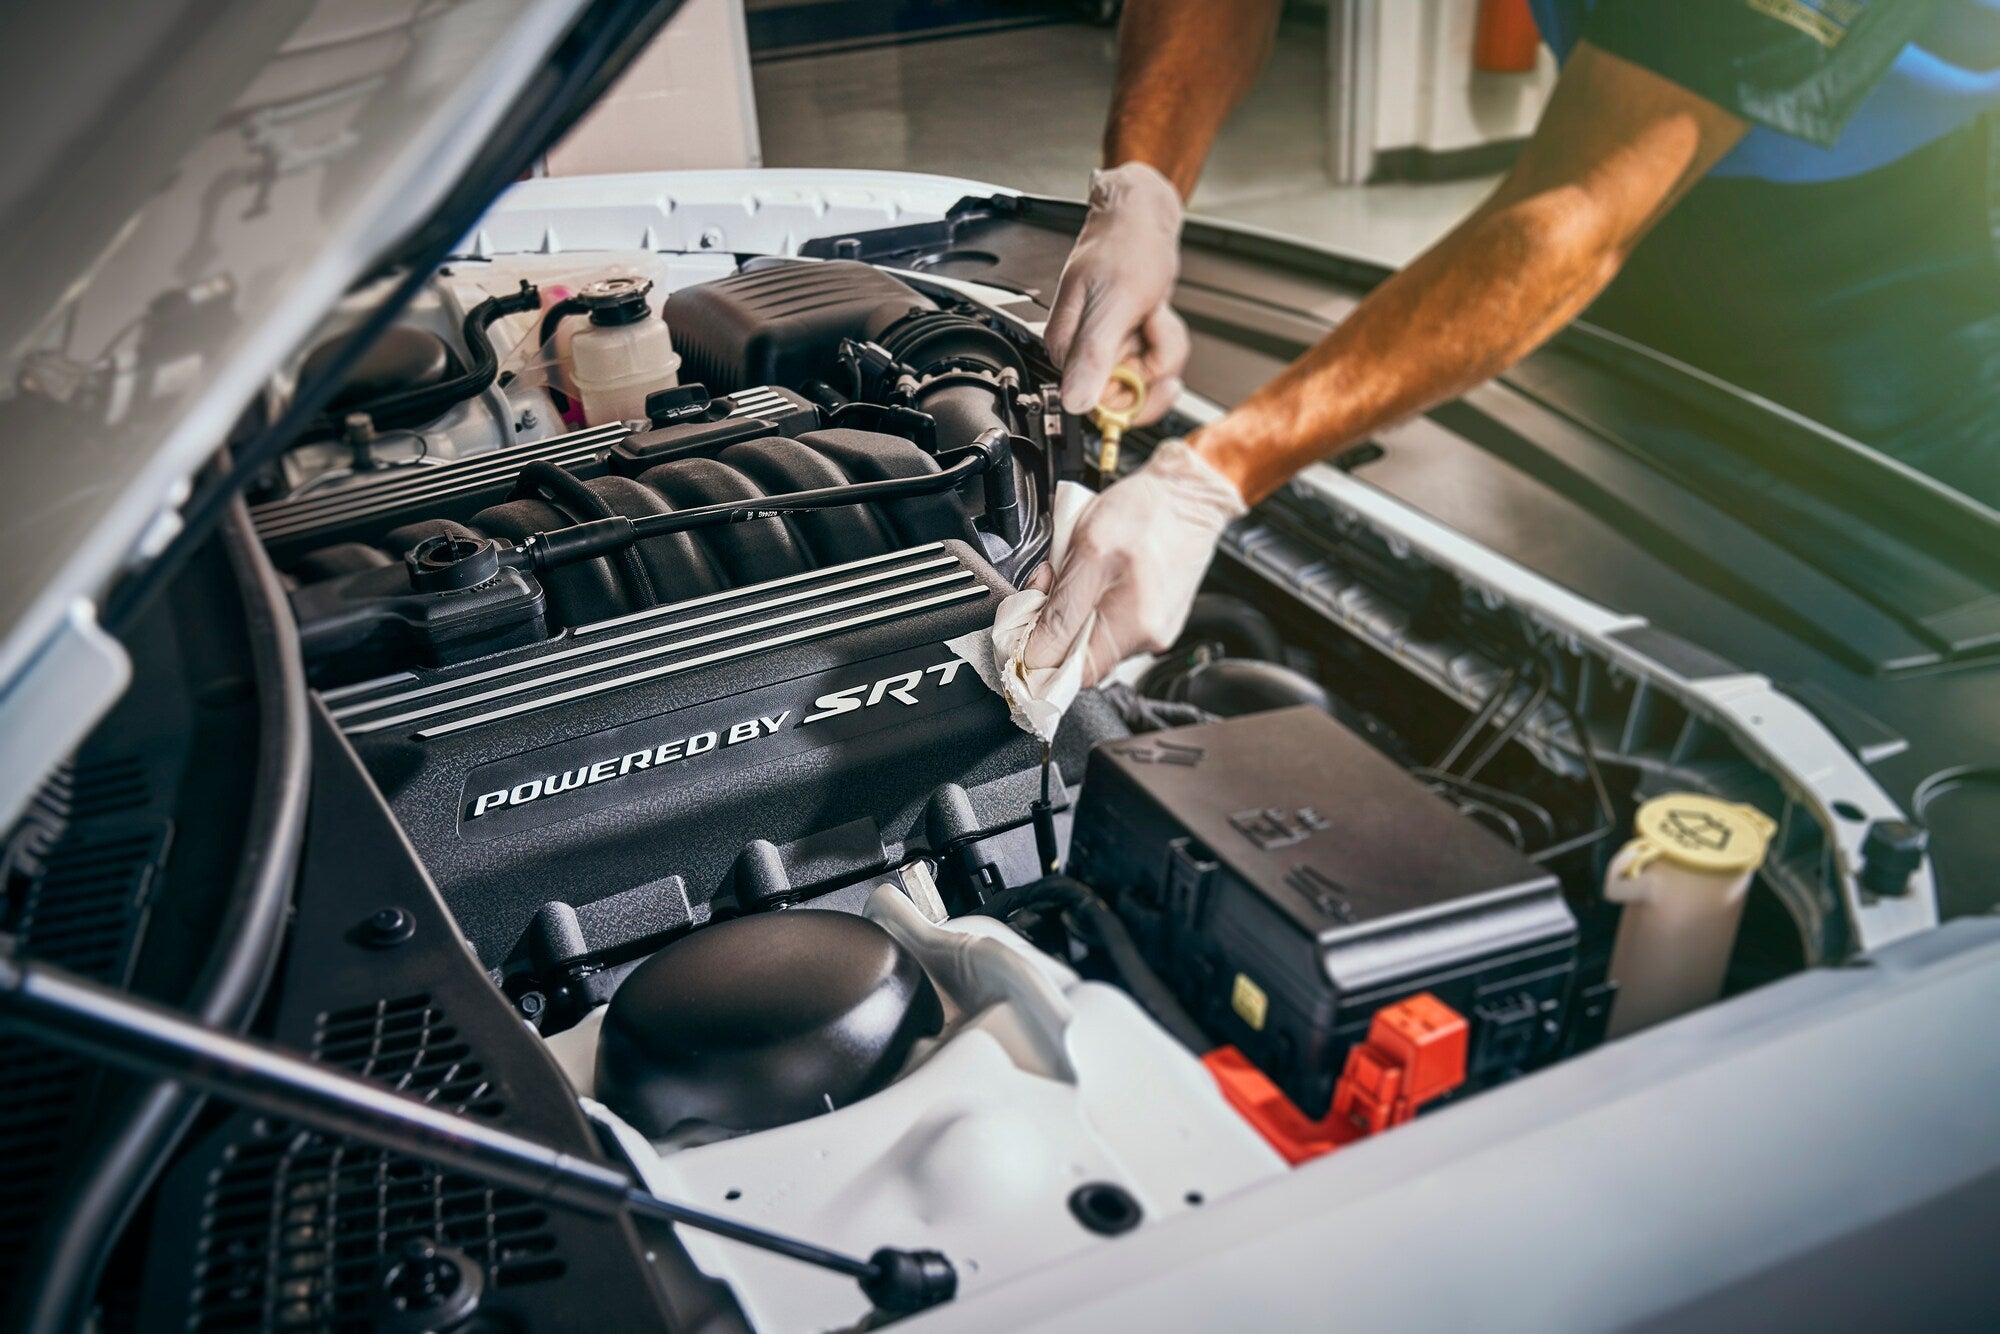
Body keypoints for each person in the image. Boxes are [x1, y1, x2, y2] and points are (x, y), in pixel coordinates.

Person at [1025, 0, 2000, 688]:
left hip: (1881, 330)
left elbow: (1573, 215)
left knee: (1848, 679)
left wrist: (1212, 475)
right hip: (1633, 289)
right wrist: (1142, 185)